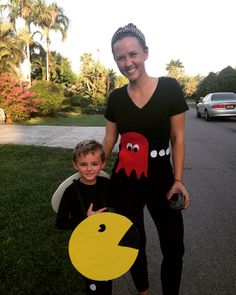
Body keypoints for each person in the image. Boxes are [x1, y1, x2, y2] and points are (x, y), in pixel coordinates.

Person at [102, 23, 190, 295]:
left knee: (174, 245)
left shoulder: (169, 88)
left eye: (133, 54)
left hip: (163, 177)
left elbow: (178, 138)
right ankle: (144, 292)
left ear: (145, 53)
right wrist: (92, 168)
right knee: (132, 241)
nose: (127, 62)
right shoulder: (116, 98)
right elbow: (109, 139)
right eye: (120, 57)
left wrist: (178, 180)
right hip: (125, 179)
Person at [56, 139, 113, 295]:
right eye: (83, 164)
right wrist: (85, 219)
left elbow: (116, 205)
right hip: (84, 245)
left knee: (107, 278)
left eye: (94, 164)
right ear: (75, 164)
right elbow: (60, 223)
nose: (89, 169)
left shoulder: (105, 184)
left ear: (102, 164)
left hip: (106, 242)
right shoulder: (71, 192)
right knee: (93, 283)